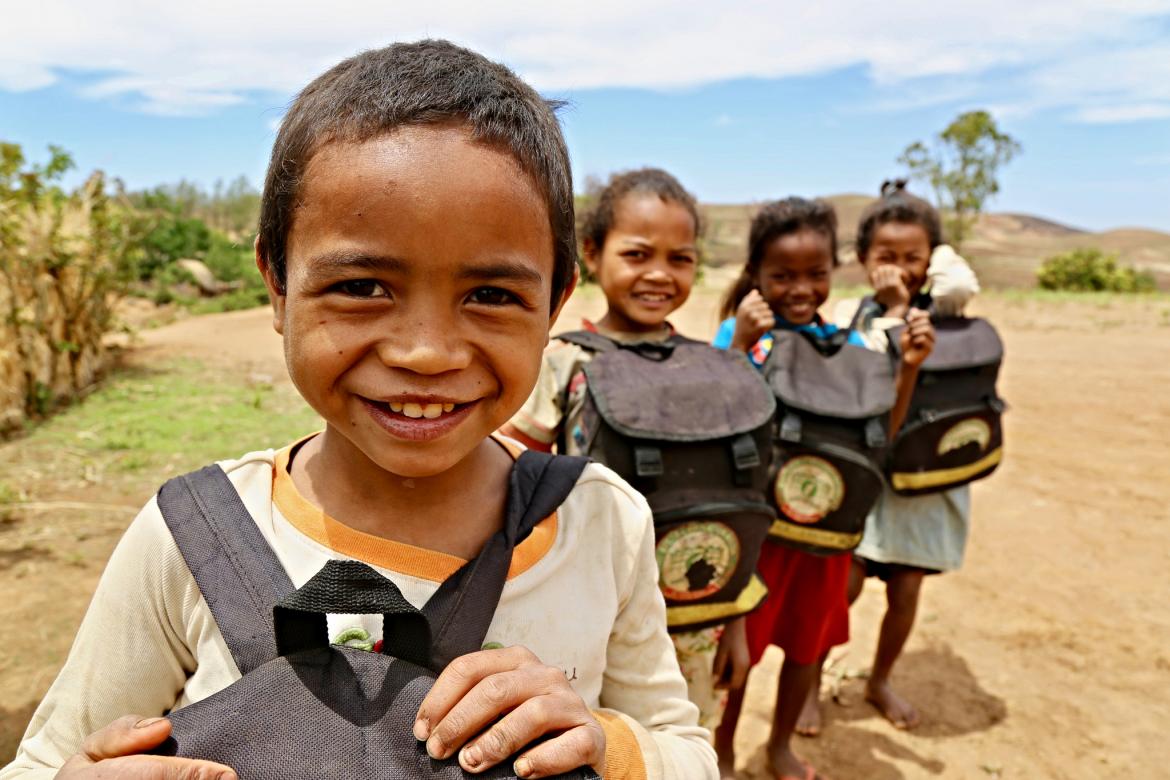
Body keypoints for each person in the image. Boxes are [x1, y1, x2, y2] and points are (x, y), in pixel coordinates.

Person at [1, 41, 717, 780]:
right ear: (276, 285)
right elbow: (45, 762)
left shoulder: (600, 522)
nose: (427, 352)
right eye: (362, 286)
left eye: (492, 296)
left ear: (555, 303)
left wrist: (610, 745)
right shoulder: (192, 536)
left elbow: (684, 747)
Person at [501, 168, 759, 750]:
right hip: (591, 614)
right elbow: (507, 482)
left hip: (696, 614)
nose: (660, 274)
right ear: (592, 254)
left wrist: (735, 618)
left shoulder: (713, 367)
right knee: (588, 741)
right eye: (638, 254)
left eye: (681, 258)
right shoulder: (563, 362)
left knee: (679, 738)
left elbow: (739, 500)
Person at [712, 197, 934, 780]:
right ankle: (725, 747)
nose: (800, 288)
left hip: (828, 534)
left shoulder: (848, 346)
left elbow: (880, 433)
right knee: (740, 653)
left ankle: (780, 745)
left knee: (808, 648)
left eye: (815, 274)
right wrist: (738, 351)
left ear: (834, 274)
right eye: (782, 275)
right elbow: (715, 417)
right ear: (756, 275)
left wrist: (906, 368)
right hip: (761, 533)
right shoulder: (741, 334)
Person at [827, 180, 981, 732]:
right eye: (884, 257)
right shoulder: (852, 313)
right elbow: (869, 370)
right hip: (868, 473)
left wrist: (914, 282)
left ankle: (880, 680)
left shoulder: (944, 304)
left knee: (907, 586)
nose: (899, 268)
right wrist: (890, 305)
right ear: (864, 260)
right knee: (843, 582)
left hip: (923, 476)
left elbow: (960, 277)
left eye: (914, 257)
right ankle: (813, 672)